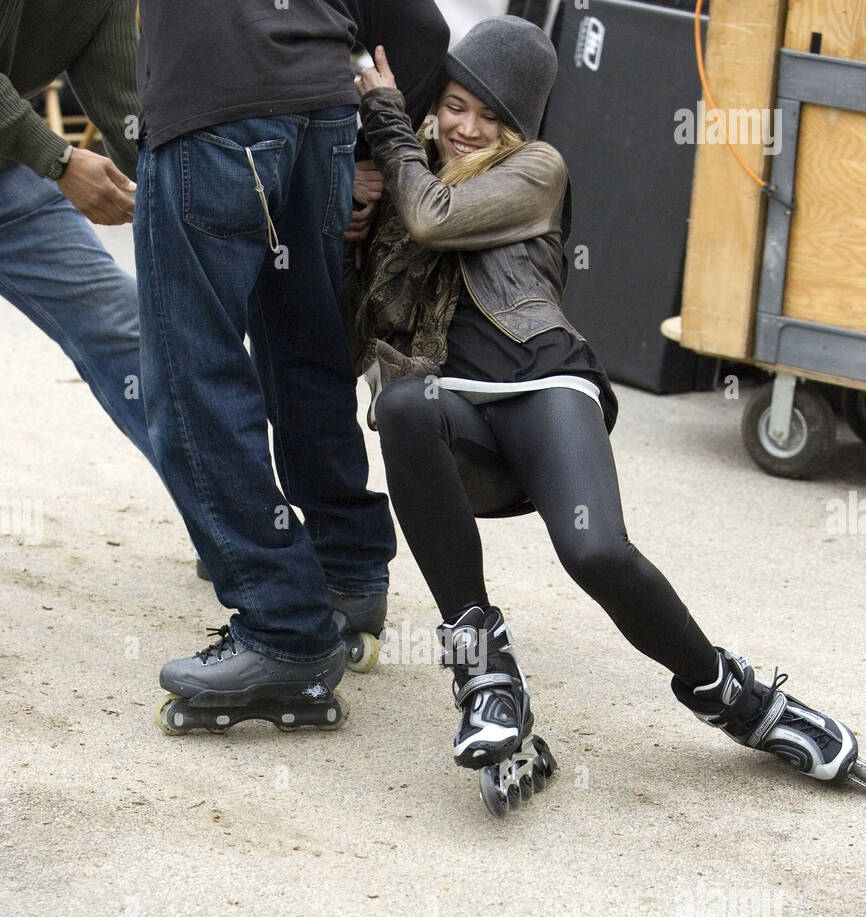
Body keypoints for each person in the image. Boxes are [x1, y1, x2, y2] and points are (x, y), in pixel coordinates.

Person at [351, 17, 861, 809]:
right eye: (455, 105)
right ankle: (486, 671)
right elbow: (365, 303)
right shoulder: (403, 173)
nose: (467, 127)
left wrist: (386, 124)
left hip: (543, 384)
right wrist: (352, 214)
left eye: (490, 117)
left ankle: (734, 696)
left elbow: (435, 218)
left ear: (520, 128)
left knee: (597, 554)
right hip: (458, 414)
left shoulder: (537, 170)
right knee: (403, 406)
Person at [135, 0, 451, 736]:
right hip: (321, 119)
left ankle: (284, 629)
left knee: (193, 380)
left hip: (211, 111)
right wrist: (368, 155)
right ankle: (347, 568)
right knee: (304, 349)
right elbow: (422, 28)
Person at [0, 0, 153, 463]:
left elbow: (127, 111)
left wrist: (172, 193)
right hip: (28, 157)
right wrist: (60, 160)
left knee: (128, 333)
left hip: (8, 176)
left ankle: (249, 535)